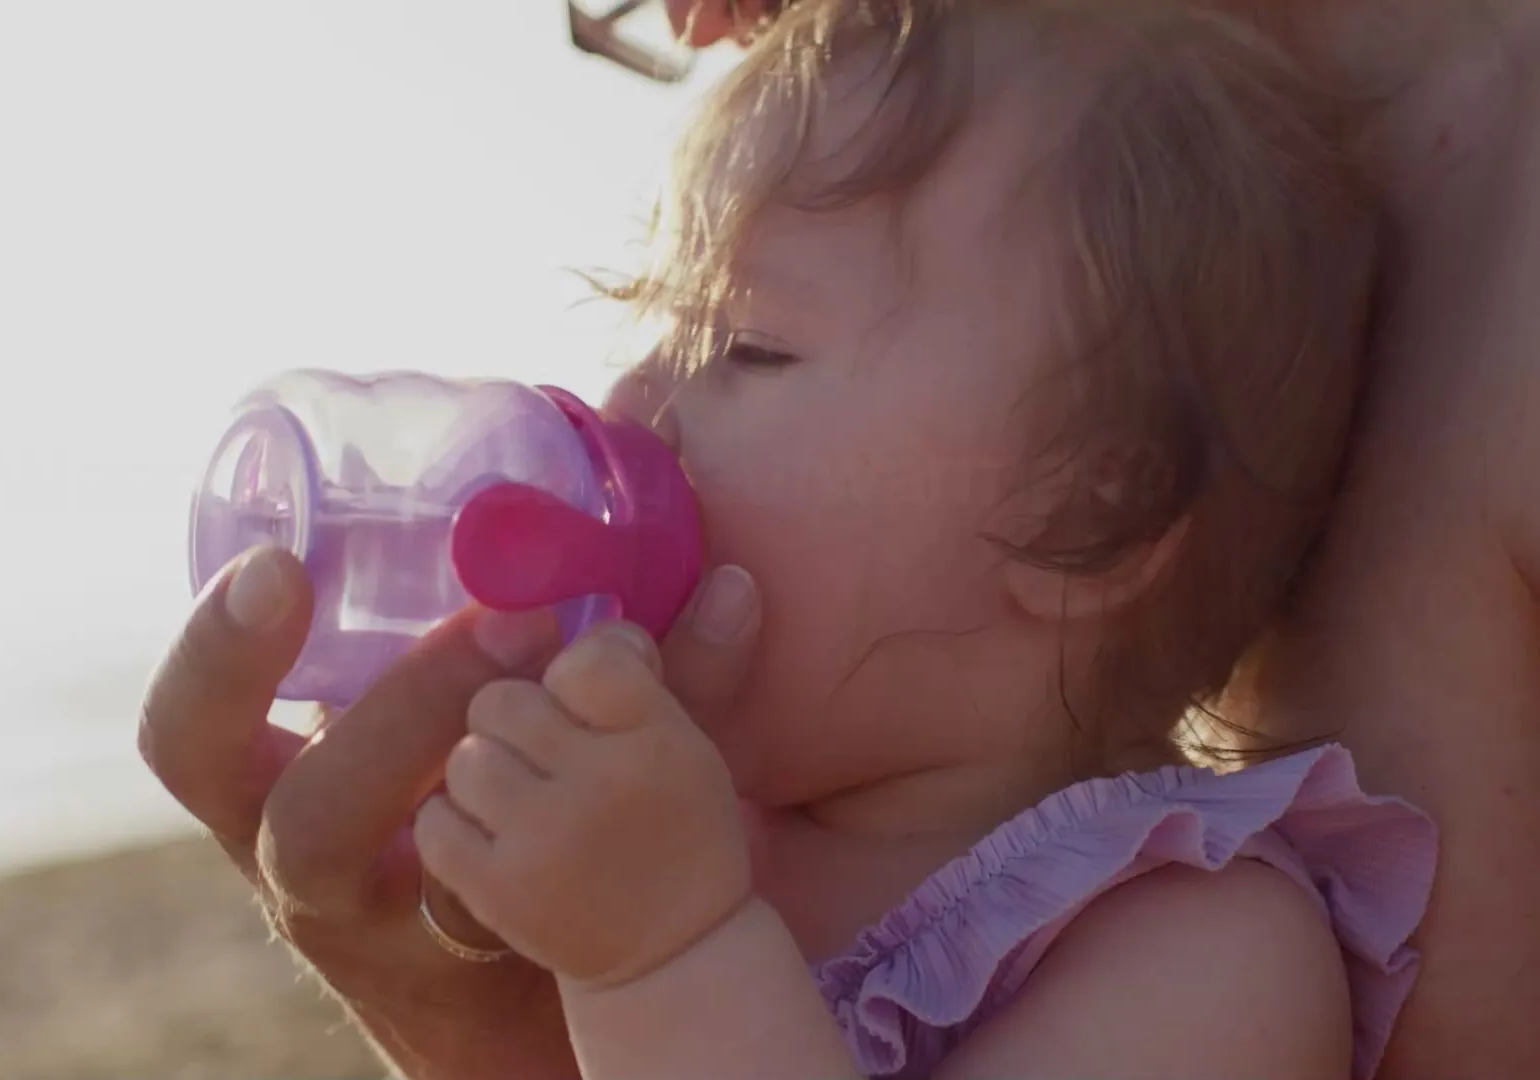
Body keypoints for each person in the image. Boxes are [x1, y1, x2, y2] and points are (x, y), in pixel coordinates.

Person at [139, 1, 1540, 1077]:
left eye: (747, 345)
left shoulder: (1201, 950)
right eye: (658, 320)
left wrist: (660, 965)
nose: (633, 406)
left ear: (1083, 514)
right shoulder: (678, 824)